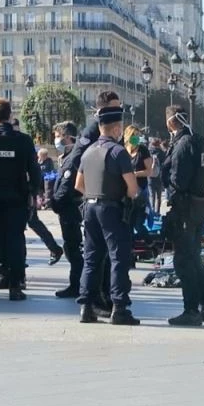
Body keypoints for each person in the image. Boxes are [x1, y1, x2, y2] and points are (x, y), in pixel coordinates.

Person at [75, 102, 141, 325]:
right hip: (111, 209)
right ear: (116, 128)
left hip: (89, 207)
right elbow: (132, 189)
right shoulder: (118, 152)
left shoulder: (88, 151)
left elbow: (78, 185)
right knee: (118, 258)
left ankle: (86, 307)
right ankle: (119, 308)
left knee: (91, 259)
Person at [51, 97, 116, 319]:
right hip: (83, 201)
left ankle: (92, 298)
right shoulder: (93, 133)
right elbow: (77, 166)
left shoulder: (100, 136)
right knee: (91, 253)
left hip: (85, 200)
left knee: (93, 254)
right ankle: (93, 297)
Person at [0, 98, 41, 301]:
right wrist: (33, 193)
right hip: (16, 199)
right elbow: (34, 171)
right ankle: (15, 286)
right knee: (15, 241)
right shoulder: (23, 141)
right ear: (10, 115)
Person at [161, 105, 204, 326]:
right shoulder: (201, 141)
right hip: (200, 204)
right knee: (194, 257)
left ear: (170, 122)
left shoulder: (182, 144)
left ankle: (191, 310)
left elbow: (178, 180)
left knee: (183, 260)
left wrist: (170, 189)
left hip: (185, 207)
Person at [11, 119, 63, 266]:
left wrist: (34, 193)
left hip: (25, 192)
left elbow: (34, 171)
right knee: (27, 224)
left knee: (28, 223)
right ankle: (53, 249)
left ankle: (22, 259)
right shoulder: (19, 143)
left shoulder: (23, 143)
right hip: (20, 191)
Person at [123, 124, 153, 242]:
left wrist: (134, 174)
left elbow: (149, 171)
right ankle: (130, 245)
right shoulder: (123, 150)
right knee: (128, 223)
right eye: (133, 135)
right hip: (127, 192)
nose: (135, 138)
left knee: (138, 224)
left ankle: (149, 242)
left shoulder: (143, 150)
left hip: (140, 191)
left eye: (137, 135)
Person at [147, 138, 165, 214]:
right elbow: (165, 164)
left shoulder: (148, 152)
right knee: (159, 196)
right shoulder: (161, 153)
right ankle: (158, 212)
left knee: (152, 195)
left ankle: (152, 212)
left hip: (150, 176)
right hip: (159, 177)